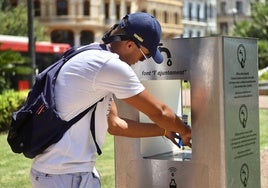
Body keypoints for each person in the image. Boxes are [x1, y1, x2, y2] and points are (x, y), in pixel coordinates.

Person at [30, 12, 192, 188]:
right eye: (144, 55)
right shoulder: (110, 66)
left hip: (55, 173)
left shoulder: (89, 52)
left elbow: (115, 125)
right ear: (130, 45)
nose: (140, 62)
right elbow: (159, 112)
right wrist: (185, 130)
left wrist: (164, 130)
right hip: (66, 176)